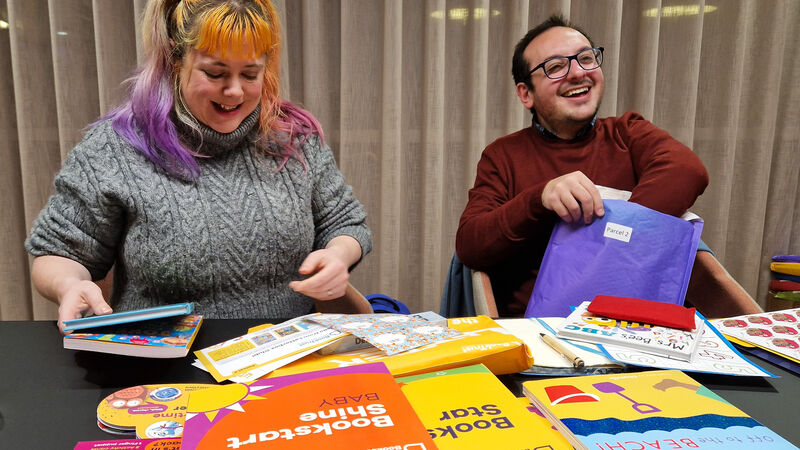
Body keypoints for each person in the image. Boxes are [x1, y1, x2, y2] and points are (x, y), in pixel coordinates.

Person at [25, 0, 372, 331]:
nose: (234, 91)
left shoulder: (292, 138)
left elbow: (345, 222)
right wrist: (69, 285)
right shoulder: (114, 150)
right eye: (215, 72)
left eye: (251, 74)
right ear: (176, 61)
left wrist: (338, 255)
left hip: (284, 358)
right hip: (165, 366)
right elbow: (57, 251)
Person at [455, 15, 709, 317]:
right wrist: (540, 198)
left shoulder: (628, 133)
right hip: (543, 336)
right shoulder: (503, 155)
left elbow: (686, 171)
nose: (577, 73)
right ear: (526, 94)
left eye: (586, 59)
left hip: (637, 327)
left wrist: (612, 237)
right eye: (555, 67)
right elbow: (471, 244)